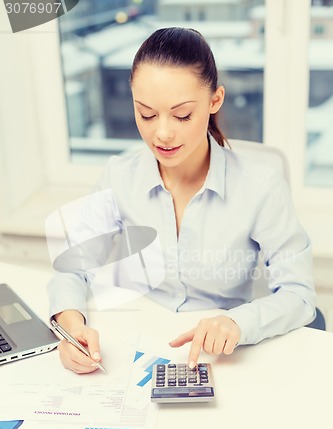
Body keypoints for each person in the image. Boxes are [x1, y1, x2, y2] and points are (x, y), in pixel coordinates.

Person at [47, 27, 316, 374]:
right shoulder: (119, 176)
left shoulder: (261, 186)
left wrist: (238, 322)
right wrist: (71, 327)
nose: (162, 133)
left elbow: (299, 294)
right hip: (135, 347)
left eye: (182, 115)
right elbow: (74, 266)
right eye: (146, 114)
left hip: (224, 357)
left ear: (215, 100)